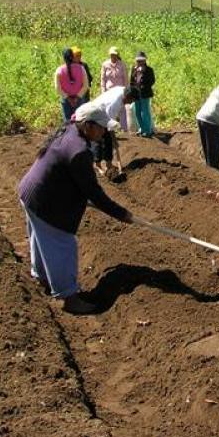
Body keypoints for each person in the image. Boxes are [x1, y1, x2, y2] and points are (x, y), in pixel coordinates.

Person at [18, 103, 134, 315]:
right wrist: (122, 214)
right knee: (62, 245)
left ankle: (41, 278)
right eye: (101, 127)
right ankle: (69, 297)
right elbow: (94, 193)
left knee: (40, 239)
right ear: (88, 126)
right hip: (46, 202)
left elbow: (74, 180)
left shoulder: (70, 131)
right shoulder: (79, 151)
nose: (104, 131)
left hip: (32, 193)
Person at [87, 85, 139, 176]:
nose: (131, 103)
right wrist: (113, 138)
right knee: (98, 138)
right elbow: (108, 121)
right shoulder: (115, 102)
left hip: (103, 113)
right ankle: (97, 165)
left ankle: (108, 164)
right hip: (95, 115)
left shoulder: (123, 90)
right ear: (127, 97)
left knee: (108, 139)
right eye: (131, 100)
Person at [55, 47, 89, 122]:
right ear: (73, 57)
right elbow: (85, 86)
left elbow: (58, 88)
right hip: (79, 99)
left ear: (63, 58)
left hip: (66, 100)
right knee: (80, 122)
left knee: (68, 123)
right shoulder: (81, 68)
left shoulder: (59, 70)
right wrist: (77, 97)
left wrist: (68, 98)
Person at [100, 46, 129, 130]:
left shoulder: (122, 64)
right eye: (112, 54)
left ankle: (124, 128)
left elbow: (125, 79)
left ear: (118, 55)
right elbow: (103, 79)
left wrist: (126, 91)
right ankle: (110, 127)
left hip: (120, 91)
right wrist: (103, 91)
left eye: (115, 55)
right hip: (109, 91)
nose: (113, 56)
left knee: (122, 109)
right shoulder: (105, 64)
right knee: (109, 109)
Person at [130, 51, 156, 138]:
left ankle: (147, 130)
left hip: (145, 94)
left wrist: (143, 84)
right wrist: (132, 92)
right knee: (137, 112)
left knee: (145, 112)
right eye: (138, 61)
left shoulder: (149, 70)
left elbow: (152, 81)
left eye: (141, 61)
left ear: (145, 61)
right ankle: (142, 128)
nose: (139, 62)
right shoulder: (134, 69)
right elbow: (131, 81)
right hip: (136, 94)